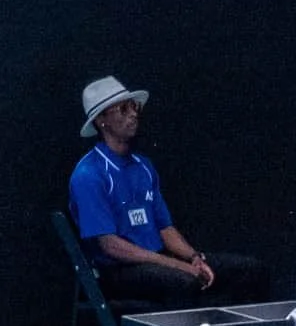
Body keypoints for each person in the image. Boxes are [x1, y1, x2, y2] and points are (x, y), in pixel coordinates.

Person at [68, 75, 272, 308]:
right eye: (123, 109)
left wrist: (193, 257)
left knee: (250, 270)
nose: (133, 114)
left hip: (158, 260)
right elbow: (110, 245)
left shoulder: (144, 166)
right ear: (101, 120)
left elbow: (165, 228)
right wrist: (174, 265)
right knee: (182, 282)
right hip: (119, 271)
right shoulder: (89, 174)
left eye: (134, 107)